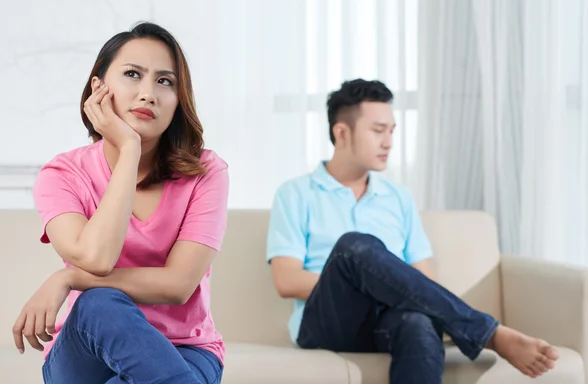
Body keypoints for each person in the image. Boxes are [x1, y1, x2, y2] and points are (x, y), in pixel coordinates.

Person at [266, 79, 560, 384]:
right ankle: (489, 334)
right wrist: (369, 283)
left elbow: (424, 281)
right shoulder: (296, 193)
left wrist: (388, 287)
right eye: (378, 130)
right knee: (354, 247)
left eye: (392, 131)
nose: (389, 142)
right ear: (342, 133)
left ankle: (479, 331)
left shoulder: (399, 198)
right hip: (328, 323)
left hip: (387, 320)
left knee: (419, 323)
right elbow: (286, 280)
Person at [12, 22, 228, 384]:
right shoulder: (62, 175)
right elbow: (97, 259)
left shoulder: (206, 171)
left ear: (178, 100)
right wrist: (129, 149)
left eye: (165, 81)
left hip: (183, 351)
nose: (148, 94)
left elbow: (177, 286)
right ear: (99, 88)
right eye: (132, 74)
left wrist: (69, 277)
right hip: (84, 351)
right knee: (98, 303)